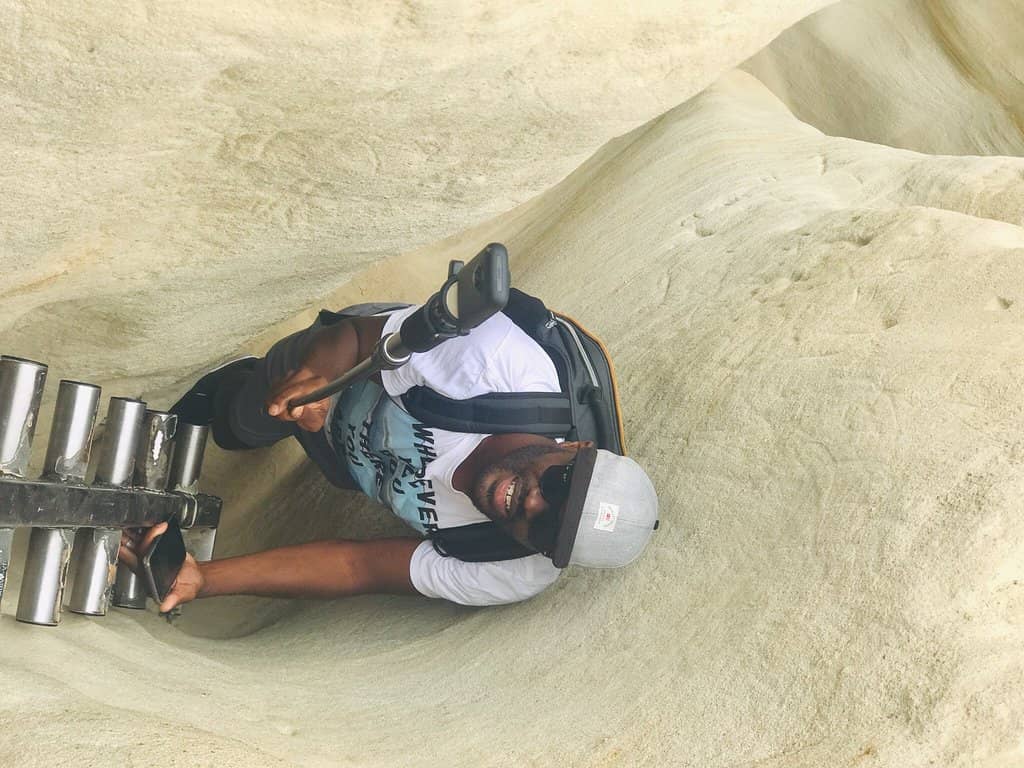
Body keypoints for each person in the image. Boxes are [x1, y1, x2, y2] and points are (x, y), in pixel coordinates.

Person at [119, 302, 658, 611]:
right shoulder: (500, 369)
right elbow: (357, 336)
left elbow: (360, 566)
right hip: (353, 366)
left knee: (285, 442)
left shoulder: (512, 569)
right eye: (561, 484)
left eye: (549, 530)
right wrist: (319, 381)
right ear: (575, 447)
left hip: (348, 462)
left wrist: (204, 580)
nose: (534, 503)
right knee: (242, 421)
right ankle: (239, 383)